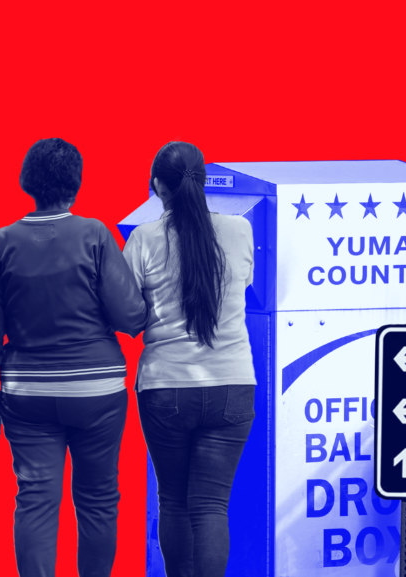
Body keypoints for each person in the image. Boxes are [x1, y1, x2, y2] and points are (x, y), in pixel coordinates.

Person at [0, 138, 147, 577]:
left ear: (28, 181)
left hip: (26, 395)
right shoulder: (95, 234)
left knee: (35, 499)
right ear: (76, 182)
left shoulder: (2, 242)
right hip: (97, 392)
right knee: (99, 499)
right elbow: (130, 317)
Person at [122, 141, 256, 577]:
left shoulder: (143, 238)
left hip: (166, 388)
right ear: (203, 182)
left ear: (157, 186)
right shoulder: (239, 230)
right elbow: (245, 281)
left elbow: (127, 310)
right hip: (233, 386)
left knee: (174, 500)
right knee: (213, 504)